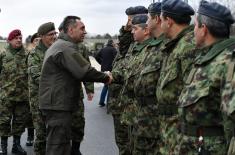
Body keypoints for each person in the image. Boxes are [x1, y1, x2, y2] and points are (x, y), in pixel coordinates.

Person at [39, 16, 112, 155]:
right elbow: (84, 71)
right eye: (82, 28)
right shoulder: (66, 48)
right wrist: (107, 78)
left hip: (58, 104)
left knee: (62, 145)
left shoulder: (62, 45)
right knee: (57, 147)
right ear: (71, 30)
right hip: (58, 106)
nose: (85, 32)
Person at [177, 1, 235, 154]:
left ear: (204, 29)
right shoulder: (206, 59)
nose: (193, 31)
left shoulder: (228, 61)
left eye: (195, 26)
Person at [155, 0, 197, 154]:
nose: (160, 23)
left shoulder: (188, 46)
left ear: (169, 21)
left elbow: (193, 95)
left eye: (161, 19)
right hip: (170, 127)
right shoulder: (176, 44)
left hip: (180, 131)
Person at [132, 2, 166, 154]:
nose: (146, 23)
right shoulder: (152, 47)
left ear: (157, 19)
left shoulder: (166, 47)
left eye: (148, 19)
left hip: (155, 120)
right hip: (142, 117)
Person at [28, 22, 57, 155]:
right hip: (39, 100)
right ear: (42, 36)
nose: (54, 36)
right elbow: (37, 77)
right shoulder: (34, 54)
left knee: (54, 135)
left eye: (55, 33)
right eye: (51, 34)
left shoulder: (55, 51)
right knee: (41, 134)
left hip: (54, 99)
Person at [0, 29, 28, 155]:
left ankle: (16, 146)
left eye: (20, 38)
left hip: (22, 96)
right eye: (16, 38)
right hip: (6, 96)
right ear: (10, 40)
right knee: (4, 122)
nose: (19, 40)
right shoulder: (3, 55)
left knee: (20, 122)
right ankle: (3, 147)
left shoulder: (27, 55)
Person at [95, 39, 117, 107]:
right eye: (114, 43)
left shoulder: (103, 49)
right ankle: (108, 103)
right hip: (111, 69)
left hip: (103, 69)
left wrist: (101, 62)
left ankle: (101, 101)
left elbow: (96, 56)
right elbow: (117, 59)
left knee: (106, 85)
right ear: (112, 43)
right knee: (110, 86)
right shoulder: (114, 50)